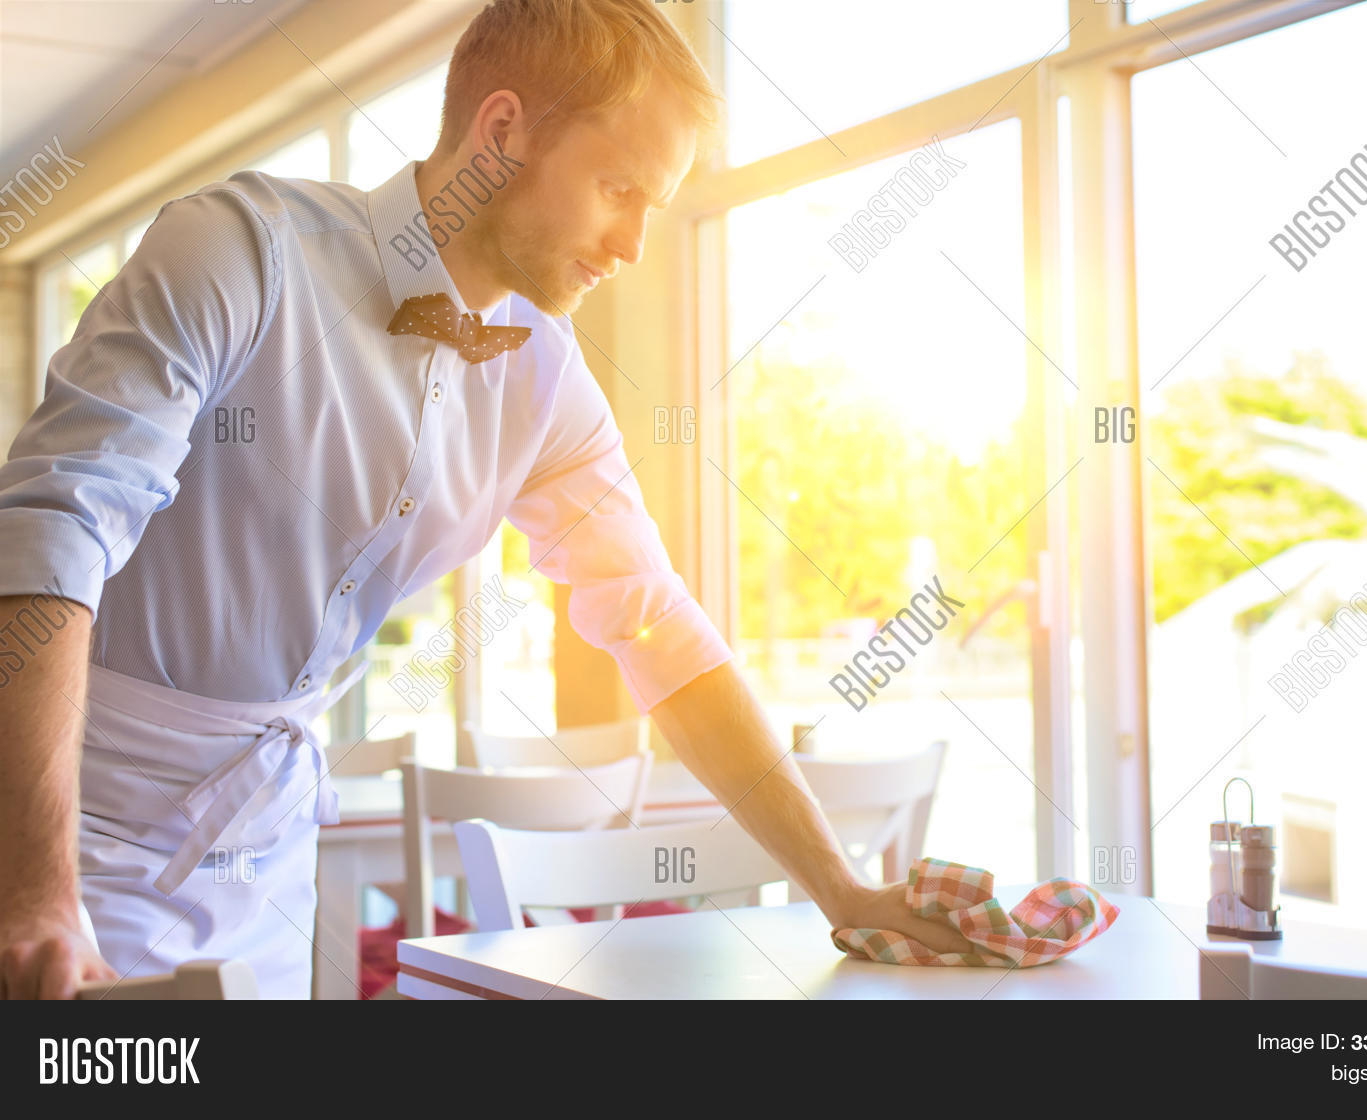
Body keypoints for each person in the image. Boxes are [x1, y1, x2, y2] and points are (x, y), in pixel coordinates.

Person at [0, 0, 971, 999]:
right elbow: (54, 524)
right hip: (66, 840)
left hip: (275, 863)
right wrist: (32, 892)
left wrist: (843, 889)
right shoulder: (240, 249)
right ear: (501, 133)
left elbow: (661, 632)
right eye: (618, 187)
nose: (635, 243)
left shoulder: (548, 386)